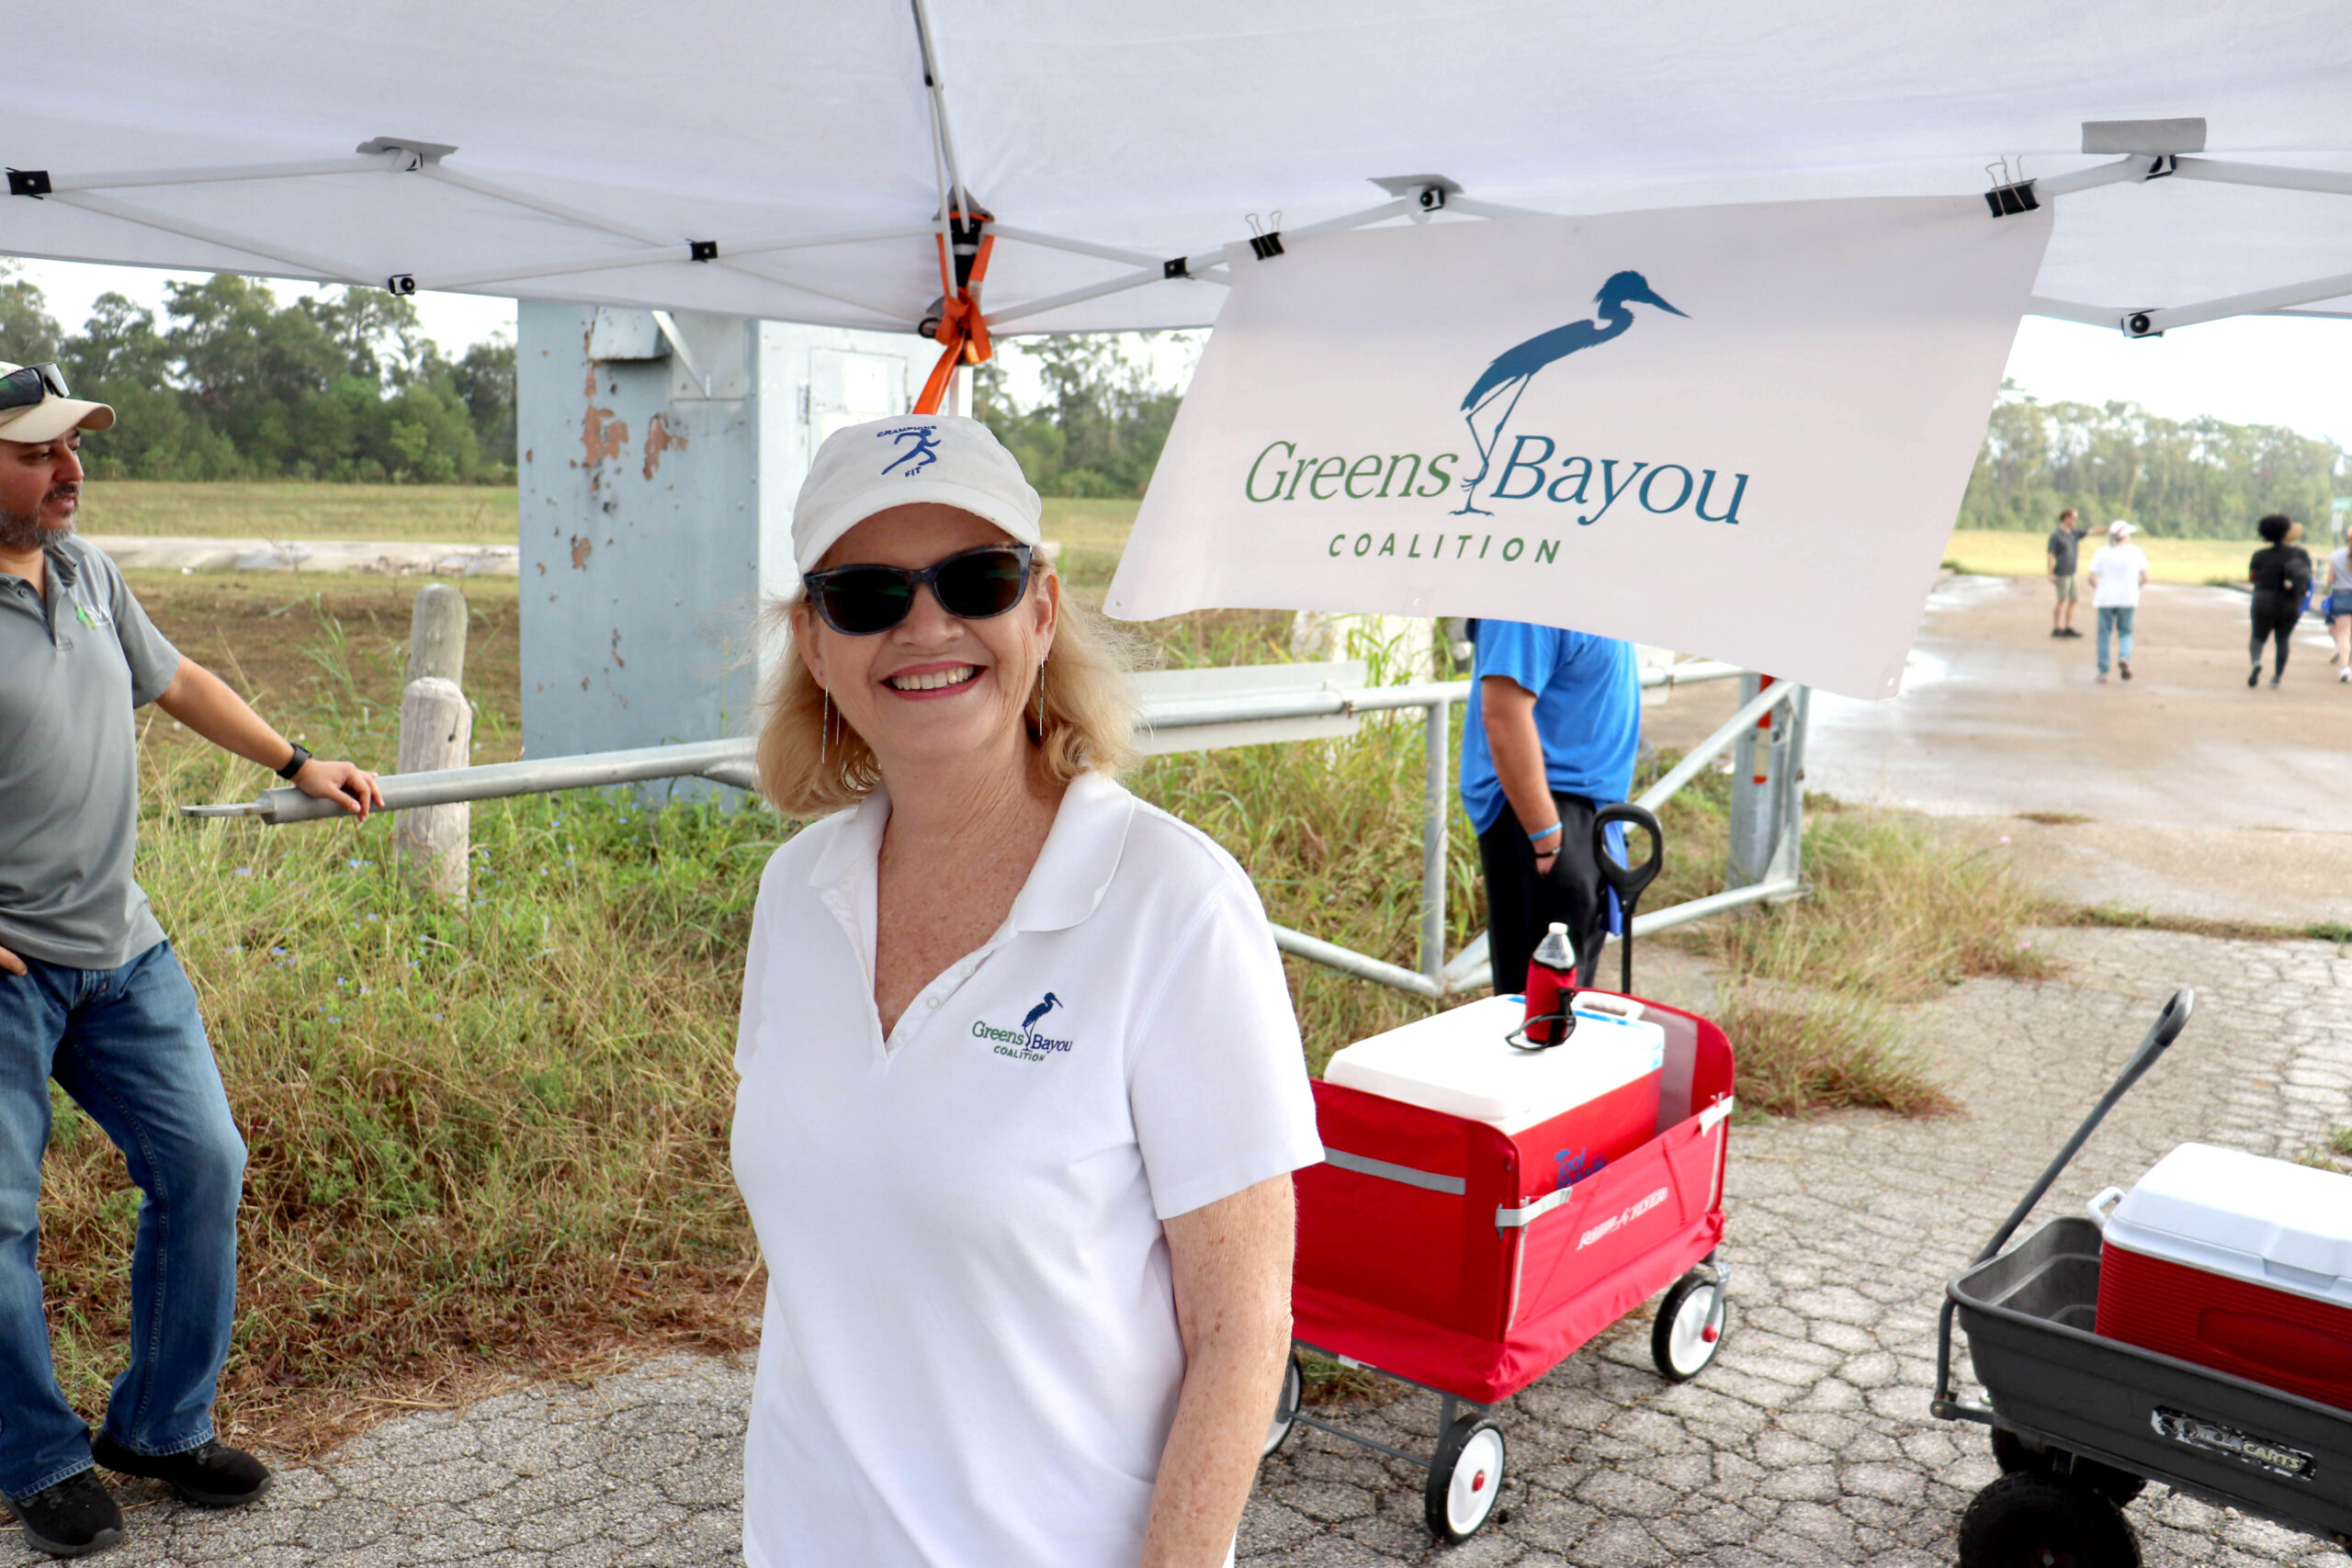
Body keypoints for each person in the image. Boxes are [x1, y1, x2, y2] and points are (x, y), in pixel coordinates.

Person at [730, 415, 1321, 1568]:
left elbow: (1241, 1327)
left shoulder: (1172, 905)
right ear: (812, 639)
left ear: (1040, 611)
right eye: (867, 596)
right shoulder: (797, 892)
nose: (928, 626)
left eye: (977, 579)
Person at [0, 362, 383, 1558]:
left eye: (77, 450)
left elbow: (178, 682)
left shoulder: (85, 571)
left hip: (122, 942)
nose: (70, 472)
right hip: (10, 970)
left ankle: (158, 1426)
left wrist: (295, 760)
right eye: (38, 452)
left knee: (204, 1159)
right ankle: (38, 1455)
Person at [1458, 619, 1642, 992]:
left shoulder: (1588, 587)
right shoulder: (1530, 599)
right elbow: (1503, 714)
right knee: (1542, 1018)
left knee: (1566, 1005)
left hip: (1583, 817)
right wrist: (1547, 837)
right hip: (1546, 815)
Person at [2246, 512, 2312, 688]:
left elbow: (2253, 578)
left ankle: (2256, 663)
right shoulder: (2300, 553)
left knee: (2258, 637)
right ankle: (2276, 677)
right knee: (2282, 639)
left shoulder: (2260, 555)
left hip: (2264, 599)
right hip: (2289, 601)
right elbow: (2307, 576)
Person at [2086, 519, 2149, 683]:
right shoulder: (2136, 552)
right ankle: (2124, 657)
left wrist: (2099, 587)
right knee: (2125, 632)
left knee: (2104, 635)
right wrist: (2136, 587)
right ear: (2124, 535)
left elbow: (2091, 577)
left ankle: (2103, 672)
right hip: (2128, 598)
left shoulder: (2102, 552)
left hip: (2105, 599)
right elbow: (2145, 578)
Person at [2046, 506, 2088, 637]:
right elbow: (2050, 555)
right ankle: (2056, 627)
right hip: (2061, 572)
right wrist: (2051, 573)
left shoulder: (2074, 533)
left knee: (2074, 599)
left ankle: (2069, 626)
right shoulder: (2056, 534)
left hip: (2073, 572)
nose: (2076, 520)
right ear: (2066, 518)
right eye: (2074, 517)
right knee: (2062, 599)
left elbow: (2091, 531)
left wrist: (2109, 528)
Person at [2325, 519, 2352, 683]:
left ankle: (2344, 669)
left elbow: (2330, 580)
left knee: (2343, 635)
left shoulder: (2335, 556)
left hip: (2342, 596)